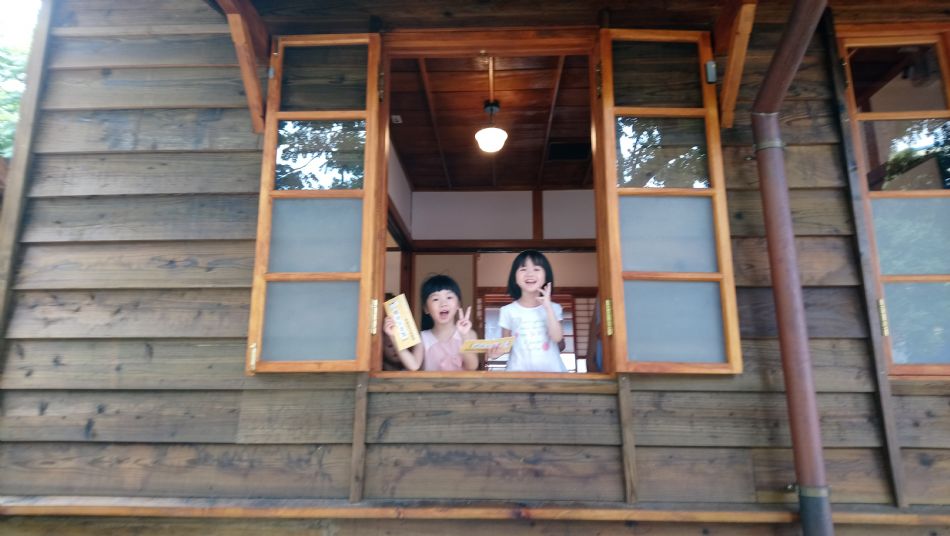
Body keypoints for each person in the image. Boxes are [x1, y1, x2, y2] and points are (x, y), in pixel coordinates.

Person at [382, 274, 479, 371]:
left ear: (458, 304)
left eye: (449, 297)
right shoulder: (423, 338)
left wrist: (464, 336)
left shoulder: (470, 334)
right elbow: (413, 366)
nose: (443, 303)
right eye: (435, 299)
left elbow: (472, 366)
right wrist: (393, 337)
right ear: (426, 308)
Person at [490, 250, 566, 372]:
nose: (529, 274)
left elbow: (557, 338)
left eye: (536, 269)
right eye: (523, 269)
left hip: (552, 375)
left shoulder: (554, 308)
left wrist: (548, 307)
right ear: (514, 277)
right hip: (518, 375)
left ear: (546, 276)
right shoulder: (507, 311)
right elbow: (505, 345)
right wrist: (495, 353)